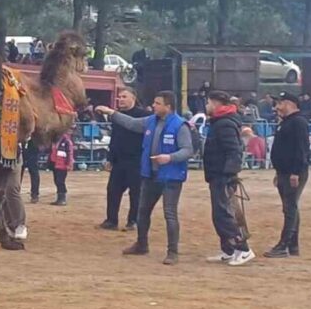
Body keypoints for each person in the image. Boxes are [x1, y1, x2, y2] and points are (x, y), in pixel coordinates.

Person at [96, 91, 194, 266]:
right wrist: (112, 113)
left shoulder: (180, 126)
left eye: (157, 103)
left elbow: (188, 150)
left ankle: (172, 251)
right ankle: (141, 244)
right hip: (151, 174)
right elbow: (131, 123)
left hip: (170, 177)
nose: (153, 106)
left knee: (169, 214)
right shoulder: (150, 121)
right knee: (143, 212)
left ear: (168, 106)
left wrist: (170, 158)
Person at [202, 91, 253, 266]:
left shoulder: (224, 124)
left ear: (216, 103)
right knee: (220, 214)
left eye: (208, 102)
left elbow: (234, 151)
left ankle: (243, 249)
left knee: (224, 214)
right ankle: (229, 249)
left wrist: (229, 175)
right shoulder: (221, 122)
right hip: (217, 174)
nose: (206, 106)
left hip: (222, 176)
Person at [99, 87, 150, 230]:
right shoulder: (117, 116)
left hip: (136, 160)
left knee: (136, 193)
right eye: (119, 97)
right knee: (113, 190)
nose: (120, 99)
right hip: (119, 160)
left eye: (124, 97)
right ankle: (111, 220)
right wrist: (110, 158)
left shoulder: (143, 115)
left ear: (133, 98)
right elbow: (114, 138)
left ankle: (133, 221)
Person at [266, 92, 311, 258]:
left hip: (294, 172)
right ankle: (293, 246)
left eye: (280, 103)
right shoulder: (286, 122)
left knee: (290, 208)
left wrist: (295, 172)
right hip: (284, 172)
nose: (277, 107)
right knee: (290, 208)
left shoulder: (298, 123)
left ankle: (283, 245)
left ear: (290, 104)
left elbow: (301, 149)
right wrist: (279, 172)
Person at [48, 128, 75, 206]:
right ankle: (60, 198)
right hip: (56, 164)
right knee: (57, 180)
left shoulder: (67, 141)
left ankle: (62, 198)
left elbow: (70, 153)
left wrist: (70, 164)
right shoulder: (55, 140)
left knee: (60, 181)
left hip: (62, 165)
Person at [21, 136, 42, 203]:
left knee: (34, 175)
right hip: (21, 157)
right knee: (17, 175)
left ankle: (35, 194)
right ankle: (14, 193)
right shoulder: (20, 137)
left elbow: (39, 149)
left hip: (32, 158)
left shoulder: (35, 139)